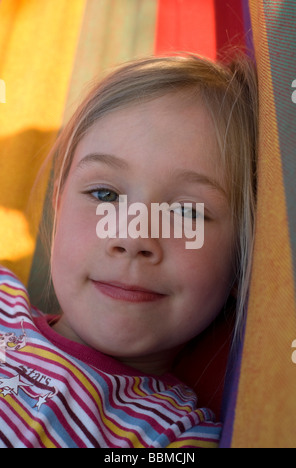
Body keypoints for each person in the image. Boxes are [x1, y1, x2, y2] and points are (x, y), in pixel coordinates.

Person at [0, 53, 258, 448]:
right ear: (58, 202)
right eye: (105, 194)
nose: (134, 237)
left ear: (243, 259)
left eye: (185, 211)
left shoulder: (178, 437)